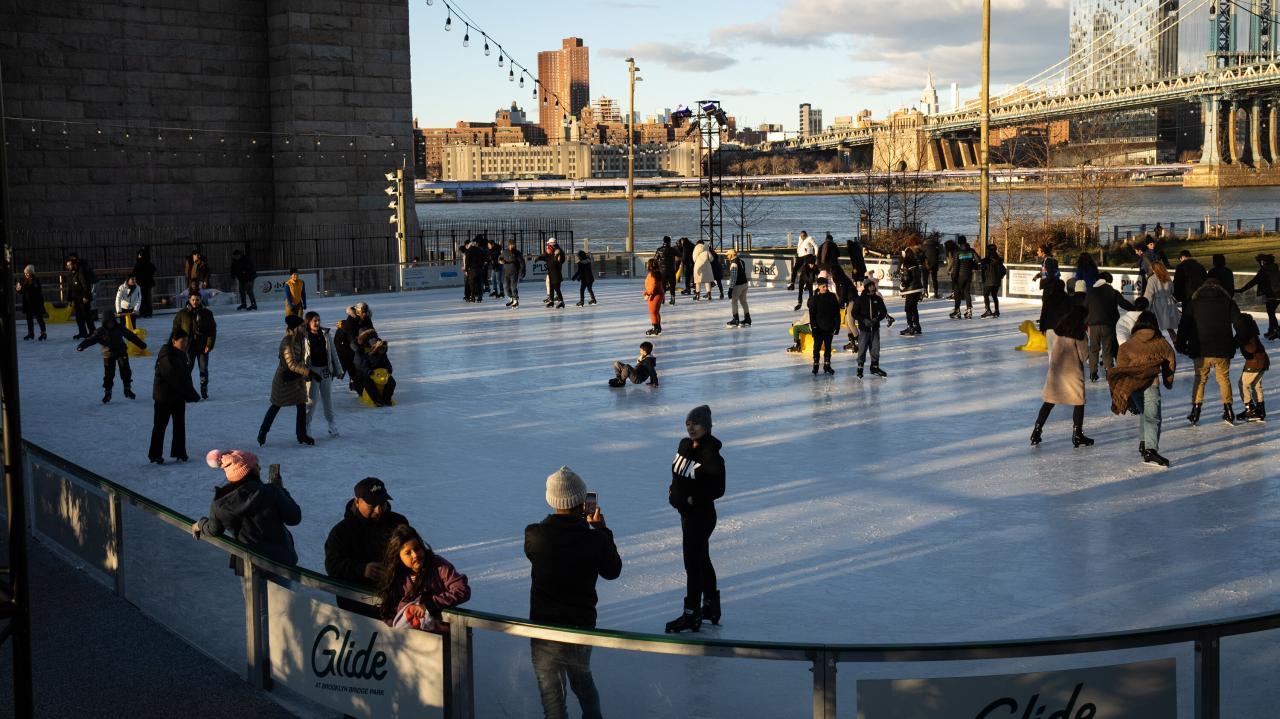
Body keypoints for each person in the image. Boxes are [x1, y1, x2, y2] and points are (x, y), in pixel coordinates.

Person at [525, 466, 622, 718]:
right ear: (581, 502)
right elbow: (613, 570)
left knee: (551, 695)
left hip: (543, 628)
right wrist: (601, 529)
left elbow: (539, 551)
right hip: (580, 628)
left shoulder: (534, 535)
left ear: (552, 499)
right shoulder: (594, 540)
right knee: (582, 682)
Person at [666, 405, 725, 633]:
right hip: (686, 515)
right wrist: (673, 491)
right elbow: (677, 472)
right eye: (688, 423)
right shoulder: (684, 445)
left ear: (706, 426)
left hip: (701, 516)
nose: (691, 427)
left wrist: (693, 499)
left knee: (692, 563)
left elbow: (719, 488)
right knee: (701, 559)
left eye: (696, 424)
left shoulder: (712, 456)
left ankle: (692, 614)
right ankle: (710, 606)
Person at [192, 449, 301, 566]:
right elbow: (294, 517)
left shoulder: (221, 504)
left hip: (248, 564)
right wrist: (281, 490)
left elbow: (213, 529)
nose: (259, 468)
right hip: (280, 563)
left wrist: (200, 524)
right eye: (256, 465)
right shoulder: (271, 491)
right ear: (248, 470)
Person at [325, 477, 411, 617]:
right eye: (372, 505)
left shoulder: (399, 522)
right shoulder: (340, 532)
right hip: (357, 610)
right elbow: (332, 566)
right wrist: (362, 569)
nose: (378, 510)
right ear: (357, 501)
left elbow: (413, 552)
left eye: (382, 503)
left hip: (396, 604)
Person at [1108, 311, 1176, 467]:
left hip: (1133, 386)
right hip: (1151, 384)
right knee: (1152, 417)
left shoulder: (1128, 345)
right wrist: (1168, 381)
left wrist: (1123, 388)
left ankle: (1144, 443)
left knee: (1146, 414)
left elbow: (1121, 367)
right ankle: (1150, 451)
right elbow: (1171, 361)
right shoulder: (1161, 342)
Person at [377, 525, 471, 632]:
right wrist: (407, 611)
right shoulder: (397, 575)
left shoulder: (438, 566)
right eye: (408, 553)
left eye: (417, 548)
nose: (415, 555)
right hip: (408, 639)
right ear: (398, 557)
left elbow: (462, 590)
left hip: (442, 639)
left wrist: (429, 604)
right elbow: (390, 609)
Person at [1031, 306, 1093, 448]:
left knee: (1049, 402)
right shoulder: (1080, 335)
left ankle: (1036, 431)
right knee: (1079, 402)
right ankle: (1078, 435)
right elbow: (1084, 357)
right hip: (1073, 374)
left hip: (1056, 372)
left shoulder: (1059, 331)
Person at [1180, 277, 1239, 425]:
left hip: (1200, 348)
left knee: (1200, 379)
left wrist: (1181, 344)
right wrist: (1236, 342)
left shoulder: (1194, 303)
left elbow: (1184, 325)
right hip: (1223, 349)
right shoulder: (1228, 303)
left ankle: (1195, 411)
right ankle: (1229, 410)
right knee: (1223, 378)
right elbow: (1240, 323)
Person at [258, 315, 314, 446]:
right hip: (284, 380)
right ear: (295, 328)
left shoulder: (301, 339)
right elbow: (291, 364)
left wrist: (306, 372)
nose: (304, 328)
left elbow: (301, 360)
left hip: (296, 379)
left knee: (301, 405)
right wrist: (309, 372)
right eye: (301, 326)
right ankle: (263, 431)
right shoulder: (286, 342)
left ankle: (301, 435)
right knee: (276, 406)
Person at [148, 329, 201, 464]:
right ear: (173, 341)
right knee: (160, 426)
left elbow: (185, 376)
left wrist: (189, 392)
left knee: (179, 425)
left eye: (186, 342)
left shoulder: (182, 354)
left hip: (178, 396)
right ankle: (155, 455)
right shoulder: (166, 355)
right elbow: (174, 377)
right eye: (182, 342)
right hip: (163, 397)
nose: (185, 344)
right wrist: (191, 393)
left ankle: (179, 452)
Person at [77, 312, 147, 403]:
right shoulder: (100, 331)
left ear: (114, 321)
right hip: (108, 353)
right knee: (109, 374)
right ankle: (108, 393)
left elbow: (130, 336)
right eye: (108, 322)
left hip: (121, 351)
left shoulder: (119, 328)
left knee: (125, 370)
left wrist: (141, 345)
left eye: (112, 322)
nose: (110, 324)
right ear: (104, 322)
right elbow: (91, 339)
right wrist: (82, 346)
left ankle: (127, 389)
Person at [1085, 272, 1135, 382]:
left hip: (1093, 325)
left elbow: (1084, 308)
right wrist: (1136, 309)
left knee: (1094, 349)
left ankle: (1093, 373)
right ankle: (1109, 371)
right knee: (1107, 349)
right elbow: (1124, 304)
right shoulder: (1112, 291)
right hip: (1108, 324)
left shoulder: (1090, 292)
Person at [302, 311, 341, 439]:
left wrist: (338, 369)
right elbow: (302, 357)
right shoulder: (304, 337)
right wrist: (304, 373)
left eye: (318, 320)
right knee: (311, 401)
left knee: (327, 399)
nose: (317, 323)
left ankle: (332, 424)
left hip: (325, 371)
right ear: (308, 322)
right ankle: (306, 426)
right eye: (315, 321)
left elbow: (333, 352)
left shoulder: (325, 334)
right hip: (312, 372)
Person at [172, 291, 217, 400]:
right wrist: (176, 343)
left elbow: (212, 330)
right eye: (193, 299)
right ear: (189, 300)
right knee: (187, 370)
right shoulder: (181, 314)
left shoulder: (207, 313)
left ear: (200, 299)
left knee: (203, 369)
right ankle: (188, 390)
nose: (195, 302)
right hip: (187, 347)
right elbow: (176, 329)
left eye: (197, 299)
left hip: (202, 346)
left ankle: (204, 388)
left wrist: (209, 345)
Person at [852, 278, 893, 379]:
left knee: (875, 348)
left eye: (873, 285)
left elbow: (883, 312)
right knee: (862, 348)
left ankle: (874, 367)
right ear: (866, 287)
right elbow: (854, 313)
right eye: (870, 286)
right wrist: (863, 320)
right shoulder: (860, 299)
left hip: (874, 329)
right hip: (864, 329)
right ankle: (860, 368)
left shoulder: (877, 298)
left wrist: (876, 319)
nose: (872, 287)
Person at [1236, 254, 1280, 340]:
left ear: (1264, 262)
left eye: (1260, 262)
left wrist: (1242, 290)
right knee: (1271, 312)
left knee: (1271, 313)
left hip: (1269, 295)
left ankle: (1276, 330)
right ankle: (1272, 330)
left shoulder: (1264, 271)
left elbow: (1254, 281)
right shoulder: (1275, 268)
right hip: (1278, 293)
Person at [1236, 311, 1269, 422]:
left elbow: (1251, 349)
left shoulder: (1246, 333)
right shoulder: (1251, 330)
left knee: (1242, 384)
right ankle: (1260, 410)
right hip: (1263, 360)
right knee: (1255, 385)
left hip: (1255, 362)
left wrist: (1242, 342)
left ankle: (1249, 409)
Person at [807, 278, 841, 375]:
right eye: (823, 286)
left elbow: (836, 313)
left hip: (829, 328)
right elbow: (812, 315)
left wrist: (837, 326)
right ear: (818, 287)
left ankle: (827, 366)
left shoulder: (832, 297)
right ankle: (816, 366)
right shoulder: (814, 299)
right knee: (816, 347)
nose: (825, 288)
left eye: (826, 286)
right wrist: (814, 327)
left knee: (828, 347)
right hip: (818, 329)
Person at [354, 330, 396, 406]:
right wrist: (369, 371)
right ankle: (377, 400)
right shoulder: (368, 356)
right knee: (368, 383)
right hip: (372, 375)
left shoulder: (384, 356)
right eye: (381, 349)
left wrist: (389, 369)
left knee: (392, 382)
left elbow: (388, 364)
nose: (382, 351)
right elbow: (364, 366)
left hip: (382, 375)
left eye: (384, 349)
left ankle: (386, 398)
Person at [1143, 261, 1180, 345]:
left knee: (1155, 326)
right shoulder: (1167, 278)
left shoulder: (1152, 279)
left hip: (1157, 305)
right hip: (1168, 303)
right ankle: (1176, 342)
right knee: (1169, 327)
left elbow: (1149, 294)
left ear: (1153, 269)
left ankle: (1158, 344)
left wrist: (1146, 307)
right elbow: (1172, 291)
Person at [898, 237, 925, 336]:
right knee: (914, 307)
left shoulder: (907, 263)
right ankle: (916, 326)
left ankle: (910, 326)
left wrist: (902, 286)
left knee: (908, 308)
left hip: (911, 289)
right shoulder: (917, 261)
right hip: (918, 287)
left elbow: (906, 278)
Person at [65, 255, 97, 339]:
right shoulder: (70, 274)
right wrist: (69, 299)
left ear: (73, 264)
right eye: (67, 265)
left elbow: (85, 285)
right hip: (76, 299)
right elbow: (70, 287)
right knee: (79, 317)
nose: (68, 266)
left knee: (87, 316)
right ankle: (82, 332)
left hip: (83, 298)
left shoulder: (80, 272)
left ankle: (93, 332)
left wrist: (86, 296)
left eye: (69, 265)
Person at [16, 265, 47, 341]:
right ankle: (31, 333)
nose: (26, 274)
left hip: (36, 303)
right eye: (25, 273)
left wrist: (26, 286)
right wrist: (18, 289)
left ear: (31, 273)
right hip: (28, 303)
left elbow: (36, 290)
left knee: (39, 318)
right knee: (29, 319)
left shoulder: (35, 280)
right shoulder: (24, 280)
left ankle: (43, 333)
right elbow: (22, 291)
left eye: (27, 273)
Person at [949, 236, 977, 319]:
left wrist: (954, 278)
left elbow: (956, 266)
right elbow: (978, 261)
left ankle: (957, 311)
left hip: (959, 276)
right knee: (967, 292)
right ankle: (969, 311)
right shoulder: (971, 251)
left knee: (957, 293)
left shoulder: (957, 252)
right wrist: (972, 265)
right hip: (969, 275)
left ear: (959, 242)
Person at [1039, 278, 1070, 351]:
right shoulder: (1067, 298)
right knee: (1061, 351)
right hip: (1062, 328)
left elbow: (1044, 313)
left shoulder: (1049, 298)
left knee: (1051, 351)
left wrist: (1042, 328)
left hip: (1050, 328)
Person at [724, 249, 752, 328]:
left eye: (728, 255)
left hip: (738, 285)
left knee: (734, 301)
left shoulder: (733, 264)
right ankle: (748, 318)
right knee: (744, 301)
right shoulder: (741, 261)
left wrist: (730, 289)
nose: (727, 256)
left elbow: (733, 277)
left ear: (732, 255)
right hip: (745, 284)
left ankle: (735, 319)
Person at [538, 238, 566, 309]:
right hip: (551, 271)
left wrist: (557, 258)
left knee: (556, 287)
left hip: (556, 272)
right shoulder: (551, 249)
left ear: (552, 243)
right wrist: (539, 258)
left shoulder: (558, 250)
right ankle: (551, 301)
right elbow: (546, 256)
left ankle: (561, 301)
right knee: (551, 287)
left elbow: (561, 259)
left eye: (549, 243)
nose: (548, 245)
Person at [979, 244, 1006, 318]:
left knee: (986, 295)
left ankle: (988, 310)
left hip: (988, 281)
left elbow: (981, 267)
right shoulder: (999, 259)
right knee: (994, 296)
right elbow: (1004, 270)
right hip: (997, 281)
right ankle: (997, 311)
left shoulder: (986, 260)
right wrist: (1000, 277)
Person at [133, 246, 156, 318]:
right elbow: (153, 269)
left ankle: (144, 312)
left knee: (142, 298)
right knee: (146, 298)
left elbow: (135, 273)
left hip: (142, 283)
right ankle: (147, 312)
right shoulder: (147, 263)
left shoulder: (139, 263)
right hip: (146, 283)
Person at [501, 242, 526, 308]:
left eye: (513, 245)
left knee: (513, 287)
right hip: (506, 272)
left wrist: (522, 271)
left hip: (514, 272)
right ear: (508, 245)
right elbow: (500, 258)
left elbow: (522, 263)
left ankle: (515, 301)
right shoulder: (505, 252)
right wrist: (500, 261)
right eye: (511, 245)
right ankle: (511, 298)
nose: (512, 246)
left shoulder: (517, 253)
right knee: (506, 287)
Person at [644, 259, 663, 336]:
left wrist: (648, 294)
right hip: (659, 294)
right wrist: (646, 292)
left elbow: (652, 286)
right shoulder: (657, 273)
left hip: (654, 296)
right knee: (656, 312)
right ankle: (658, 327)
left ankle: (656, 328)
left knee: (652, 312)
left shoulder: (652, 274)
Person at [659, 236, 679, 305]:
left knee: (662, 285)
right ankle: (672, 298)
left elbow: (655, 260)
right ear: (669, 242)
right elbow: (680, 255)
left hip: (662, 271)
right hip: (671, 270)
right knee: (672, 285)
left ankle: (662, 299)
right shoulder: (673, 250)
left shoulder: (659, 250)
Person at [922, 234, 942, 298]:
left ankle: (925, 293)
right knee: (934, 279)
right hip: (934, 264)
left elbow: (922, 255)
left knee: (925, 279)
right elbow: (938, 254)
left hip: (925, 264)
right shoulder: (936, 246)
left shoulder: (924, 246)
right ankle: (936, 293)